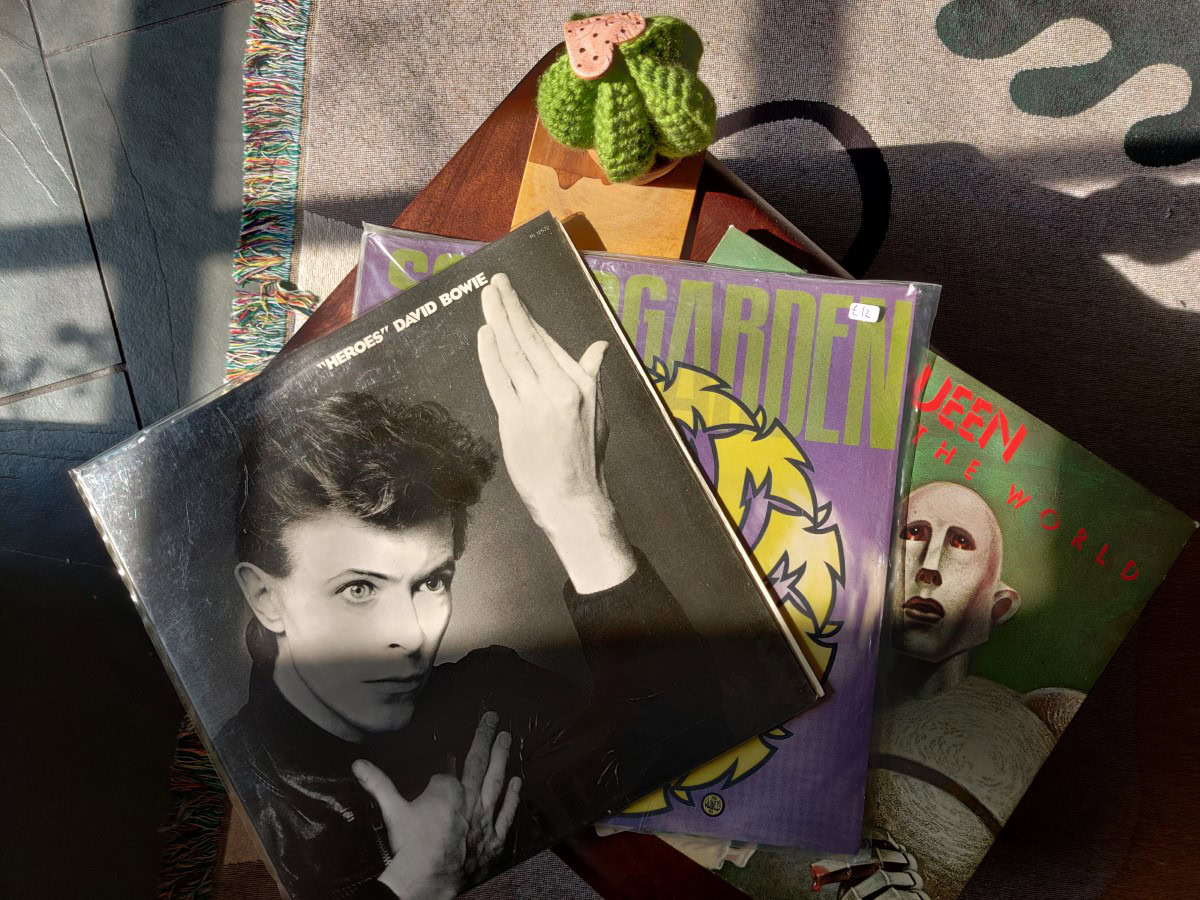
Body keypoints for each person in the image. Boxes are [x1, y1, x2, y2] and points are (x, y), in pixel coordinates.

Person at [217, 275, 727, 900]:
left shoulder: (495, 696)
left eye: (432, 581)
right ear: (266, 598)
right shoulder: (232, 813)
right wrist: (421, 885)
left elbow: (694, 740)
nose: (410, 635)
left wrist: (576, 510)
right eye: (358, 590)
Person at [814, 482, 1083, 900]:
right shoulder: (804, 696)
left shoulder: (1048, 720)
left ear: (997, 606)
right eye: (914, 533)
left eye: (959, 542)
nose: (929, 567)